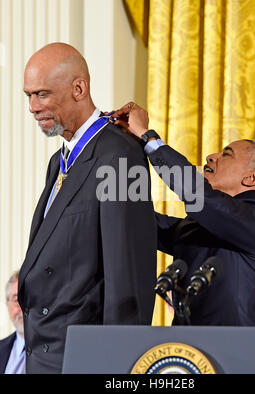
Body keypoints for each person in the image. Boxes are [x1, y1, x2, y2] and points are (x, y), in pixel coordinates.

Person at [19, 44, 157, 374]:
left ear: (79, 88)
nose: (33, 107)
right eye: (29, 96)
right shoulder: (60, 160)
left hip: (84, 358)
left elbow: (128, 277)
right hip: (46, 353)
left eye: (42, 94)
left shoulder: (119, 154)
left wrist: (119, 364)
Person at [111, 102, 255, 327]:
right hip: (187, 353)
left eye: (227, 154)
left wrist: (148, 137)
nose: (211, 156)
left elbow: (198, 194)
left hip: (236, 356)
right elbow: (140, 222)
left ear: (251, 178)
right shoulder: (207, 225)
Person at [0, 271, 25, 374]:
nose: (23, 308)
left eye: (27, 299)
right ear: (7, 305)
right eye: (16, 300)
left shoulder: (59, 349)